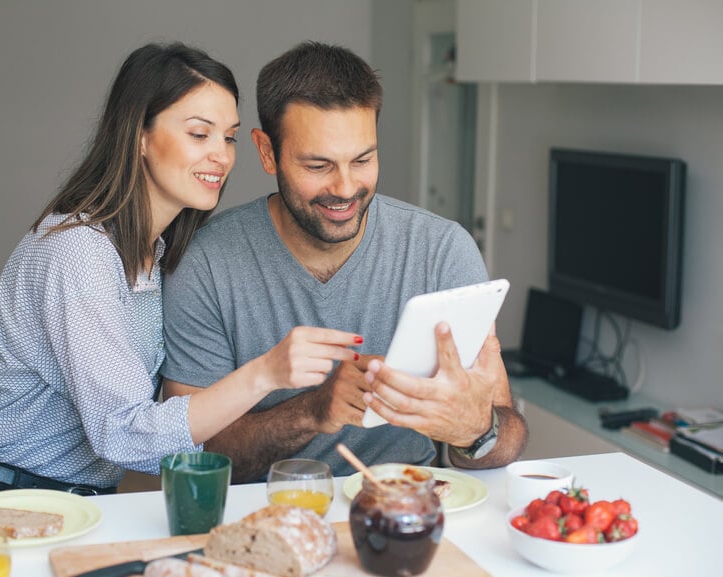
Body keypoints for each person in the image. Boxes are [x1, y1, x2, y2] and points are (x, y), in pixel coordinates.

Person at [0, 42, 362, 506]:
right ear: (140, 136)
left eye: (228, 137)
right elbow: (125, 434)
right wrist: (266, 374)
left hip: (73, 502)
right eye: (199, 134)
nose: (221, 156)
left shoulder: (156, 252)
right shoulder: (78, 250)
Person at [161, 41, 528, 483]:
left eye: (363, 159)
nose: (346, 187)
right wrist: (313, 411)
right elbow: (191, 457)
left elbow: (505, 442)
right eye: (318, 165)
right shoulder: (205, 264)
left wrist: (474, 430)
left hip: (406, 507)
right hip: (269, 511)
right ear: (266, 151)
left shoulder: (441, 250)